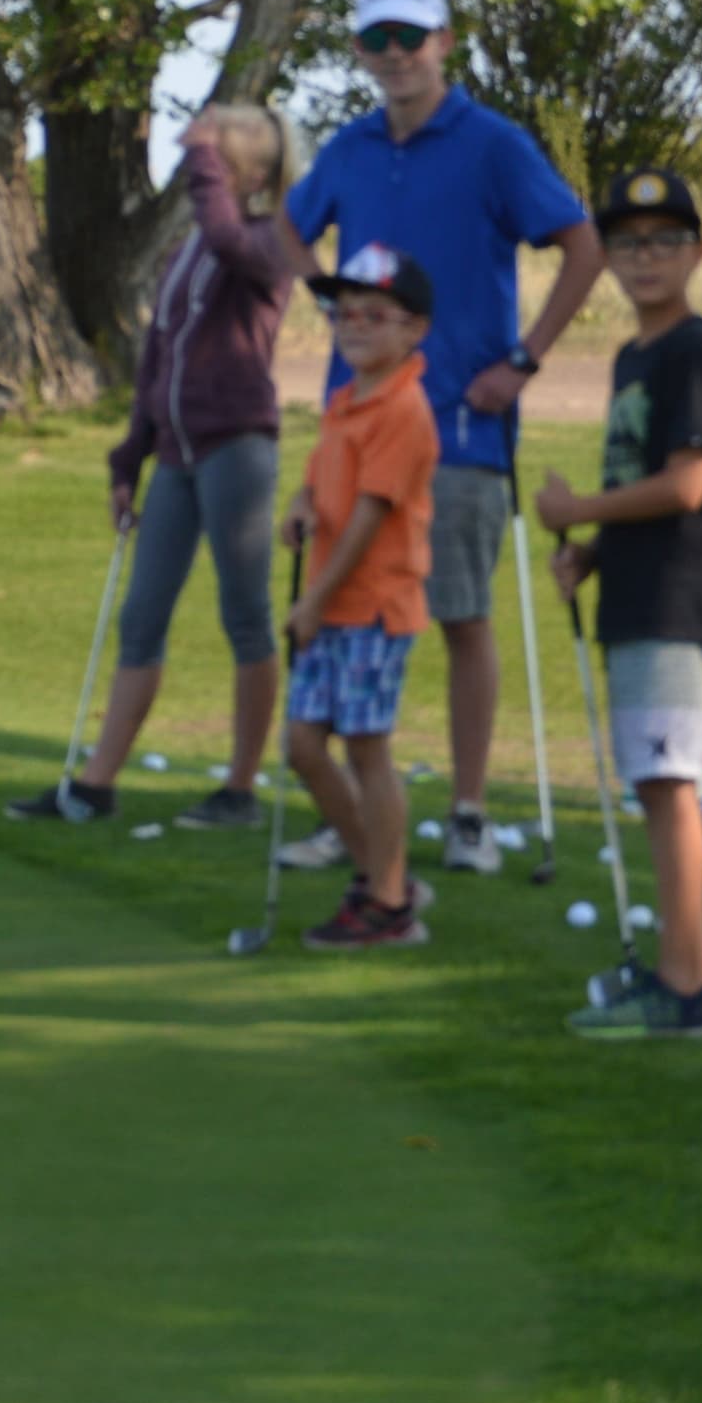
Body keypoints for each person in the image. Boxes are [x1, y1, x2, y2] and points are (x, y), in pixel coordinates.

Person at [274, 0, 601, 879]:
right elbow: (288, 229)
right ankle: (354, 817)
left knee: (458, 615)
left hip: (461, 422)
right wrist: (327, 299)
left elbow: (582, 242)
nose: (394, 57)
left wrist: (526, 358)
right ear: (357, 50)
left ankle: (466, 812)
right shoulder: (347, 147)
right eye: (377, 40)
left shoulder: (494, 144)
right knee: (344, 613)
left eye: (409, 39)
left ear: (445, 41)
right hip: (353, 423)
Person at [8, 103, 297, 829]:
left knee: (245, 616)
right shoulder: (190, 249)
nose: (203, 177)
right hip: (176, 452)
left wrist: (201, 157)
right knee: (141, 618)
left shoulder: (268, 242)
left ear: (253, 175)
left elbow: (234, 240)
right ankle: (97, 783)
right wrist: (126, 457)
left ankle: (240, 786)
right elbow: (158, 359)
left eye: (220, 165)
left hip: (238, 443)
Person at [535, 168, 702, 1039]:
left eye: (666, 240)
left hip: (677, 596)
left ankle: (690, 986)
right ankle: (681, 976)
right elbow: (645, 479)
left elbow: (689, 483)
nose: (645, 256)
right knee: (659, 790)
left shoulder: (692, 351)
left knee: (669, 790)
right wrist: (592, 550)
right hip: (638, 589)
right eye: (627, 242)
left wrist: (578, 510)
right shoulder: (635, 355)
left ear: (697, 252)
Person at [279, 242, 438, 951]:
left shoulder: (403, 409)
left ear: (414, 329)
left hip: (371, 604)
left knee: (367, 750)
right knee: (305, 746)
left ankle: (386, 902)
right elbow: (328, 482)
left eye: (376, 315)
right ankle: (384, 874)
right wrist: (302, 501)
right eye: (345, 314)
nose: (357, 326)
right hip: (331, 604)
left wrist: (313, 601)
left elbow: (371, 519)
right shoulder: (345, 399)